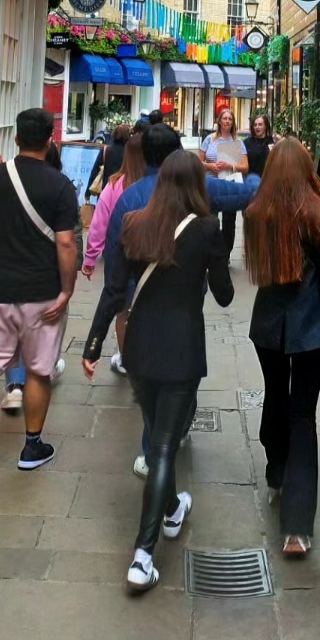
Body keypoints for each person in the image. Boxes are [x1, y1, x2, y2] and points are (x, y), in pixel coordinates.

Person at [81, 151, 233, 594]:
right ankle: (142, 556)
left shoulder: (135, 223)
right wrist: (218, 249)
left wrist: (94, 344)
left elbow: (114, 292)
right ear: (197, 185)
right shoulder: (206, 229)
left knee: (156, 435)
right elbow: (224, 295)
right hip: (182, 349)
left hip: (140, 350)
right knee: (163, 448)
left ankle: (172, 508)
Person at [92, 123, 257, 476]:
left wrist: (102, 329)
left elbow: (114, 259)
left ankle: (155, 447)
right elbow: (244, 195)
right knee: (180, 372)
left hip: (142, 305)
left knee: (152, 389)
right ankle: (173, 432)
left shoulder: (129, 198)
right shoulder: (198, 191)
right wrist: (260, 176)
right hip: (185, 305)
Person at [0, 108, 81, 491]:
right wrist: (66, 289)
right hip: (42, 294)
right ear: (49, 140)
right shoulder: (60, 186)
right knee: (39, 371)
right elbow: (65, 243)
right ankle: (31, 446)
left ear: (15, 138)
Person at [244, 138, 320, 558]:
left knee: (275, 394)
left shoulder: (256, 213)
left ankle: (276, 469)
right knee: (302, 414)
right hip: (311, 332)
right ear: (307, 169)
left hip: (269, 327)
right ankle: (296, 528)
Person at [1, 137, 70, 413]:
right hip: (47, 274)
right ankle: (42, 372)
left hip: (10, 270)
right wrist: (70, 277)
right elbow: (69, 239)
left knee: (15, 333)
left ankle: (15, 387)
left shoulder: (6, 182)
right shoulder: (61, 187)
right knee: (44, 328)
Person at [82, 132, 147, 376]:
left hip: (119, 256)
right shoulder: (158, 185)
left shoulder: (114, 184)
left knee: (123, 311)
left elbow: (99, 224)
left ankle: (126, 359)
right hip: (149, 255)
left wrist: (90, 257)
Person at [201, 108, 248, 253]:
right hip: (211, 185)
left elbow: (245, 167)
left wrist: (230, 166)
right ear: (219, 121)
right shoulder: (209, 139)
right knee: (210, 220)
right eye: (225, 118)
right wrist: (210, 166)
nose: (227, 121)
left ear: (233, 122)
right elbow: (198, 162)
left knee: (229, 222)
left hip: (229, 186)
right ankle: (210, 251)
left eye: (230, 119)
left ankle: (226, 253)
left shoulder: (238, 143)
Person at [86, 123, 128, 199]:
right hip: (123, 190)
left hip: (105, 189)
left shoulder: (106, 150)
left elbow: (95, 170)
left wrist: (87, 193)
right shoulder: (129, 153)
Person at [244, 113, 274, 179]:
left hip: (268, 179)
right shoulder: (247, 142)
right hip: (251, 179)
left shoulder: (272, 141)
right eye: (255, 125)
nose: (257, 127)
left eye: (260, 124)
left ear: (265, 126)